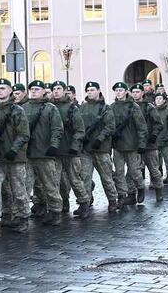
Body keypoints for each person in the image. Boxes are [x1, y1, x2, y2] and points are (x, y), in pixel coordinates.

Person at [0, 78, 30, 234]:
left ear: (10, 90)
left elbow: (24, 134)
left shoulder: (18, 110)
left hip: (14, 158)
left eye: (2, 88)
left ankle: (23, 217)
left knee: (18, 190)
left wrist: (14, 149)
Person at [25, 80, 64, 225]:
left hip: (45, 153)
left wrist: (53, 146)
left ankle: (55, 212)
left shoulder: (50, 108)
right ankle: (25, 213)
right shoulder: (24, 107)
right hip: (28, 153)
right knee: (26, 186)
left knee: (50, 185)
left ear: (43, 91)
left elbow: (57, 129)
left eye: (37, 89)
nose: (34, 91)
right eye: (32, 89)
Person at [51, 81, 91, 218]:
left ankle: (84, 203)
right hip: (54, 151)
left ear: (64, 91)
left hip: (70, 151)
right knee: (56, 181)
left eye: (59, 88)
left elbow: (79, 130)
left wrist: (74, 147)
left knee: (75, 179)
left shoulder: (72, 108)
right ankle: (62, 203)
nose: (56, 91)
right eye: (54, 89)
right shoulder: (49, 107)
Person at [79, 81, 118, 213]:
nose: (90, 92)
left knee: (106, 177)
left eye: (92, 90)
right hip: (86, 149)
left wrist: (100, 139)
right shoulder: (82, 108)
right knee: (85, 178)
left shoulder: (105, 108)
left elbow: (110, 126)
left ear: (99, 90)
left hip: (101, 148)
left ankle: (112, 200)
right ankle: (85, 203)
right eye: (88, 90)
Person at [110, 82, 147, 207]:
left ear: (126, 92)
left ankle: (140, 188)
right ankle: (122, 195)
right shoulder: (112, 107)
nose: (118, 92)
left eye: (121, 90)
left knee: (134, 171)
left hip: (131, 144)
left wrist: (141, 144)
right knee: (119, 172)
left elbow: (141, 127)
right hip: (118, 145)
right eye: (116, 90)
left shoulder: (134, 107)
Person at [131, 83, 164, 203]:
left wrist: (154, 135)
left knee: (154, 170)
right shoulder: (130, 106)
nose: (135, 94)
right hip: (135, 144)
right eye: (133, 92)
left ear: (142, 93)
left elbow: (158, 123)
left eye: (137, 92)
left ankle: (159, 190)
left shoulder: (149, 107)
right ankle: (139, 190)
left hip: (149, 144)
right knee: (135, 170)